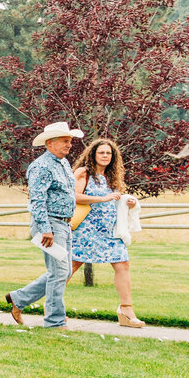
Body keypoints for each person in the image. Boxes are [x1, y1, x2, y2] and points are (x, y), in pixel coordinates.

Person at [6, 121, 84, 329]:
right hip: (50, 224)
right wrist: (45, 229)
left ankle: (18, 299)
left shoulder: (63, 163)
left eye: (70, 141)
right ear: (50, 143)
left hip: (64, 224)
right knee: (59, 273)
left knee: (63, 272)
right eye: (65, 141)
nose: (69, 145)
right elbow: (37, 200)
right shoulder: (41, 166)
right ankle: (55, 321)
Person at [70, 137, 143, 328]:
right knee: (72, 265)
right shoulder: (83, 172)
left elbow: (115, 199)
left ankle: (126, 311)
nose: (105, 156)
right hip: (86, 229)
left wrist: (128, 202)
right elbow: (74, 196)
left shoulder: (112, 177)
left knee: (123, 264)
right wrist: (102, 198)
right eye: (101, 152)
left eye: (108, 153)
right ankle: (53, 306)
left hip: (109, 230)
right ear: (93, 154)